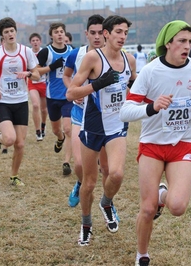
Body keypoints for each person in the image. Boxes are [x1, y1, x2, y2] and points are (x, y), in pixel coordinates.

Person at [119, 20, 191, 266]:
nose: (187, 46)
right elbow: (125, 112)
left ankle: (162, 194)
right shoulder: (150, 71)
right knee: (147, 210)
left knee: (178, 207)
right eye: (181, 41)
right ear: (168, 43)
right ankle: (142, 254)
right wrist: (152, 107)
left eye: (189, 41)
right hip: (153, 145)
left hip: (182, 144)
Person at [66, 15, 137, 246]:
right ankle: (86, 224)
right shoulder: (92, 58)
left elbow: (135, 86)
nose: (122, 37)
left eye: (125, 32)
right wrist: (97, 84)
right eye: (118, 32)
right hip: (93, 127)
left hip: (117, 127)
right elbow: (71, 93)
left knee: (116, 174)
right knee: (88, 183)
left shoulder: (130, 59)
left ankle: (106, 203)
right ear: (106, 33)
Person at [0, 17, 41, 186]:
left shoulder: (25, 52)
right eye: (6, 32)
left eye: (12, 31)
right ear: (2, 36)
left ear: (16, 32)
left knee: (20, 144)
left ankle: (14, 176)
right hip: (3, 101)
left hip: (21, 101)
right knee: (9, 139)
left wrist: (27, 73)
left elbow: (37, 74)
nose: (10, 34)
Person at [63, 14, 107, 207]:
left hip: (104, 117)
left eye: (100, 33)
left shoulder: (112, 55)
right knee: (79, 164)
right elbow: (67, 76)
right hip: (80, 112)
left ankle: (107, 203)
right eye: (93, 33)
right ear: (86, 34)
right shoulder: (76, 54)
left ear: (106, 34)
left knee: (106, 168)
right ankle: (80, 183)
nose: (96, 37)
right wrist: (73, 90)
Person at [37, 22, 74, 176]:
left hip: (68, 96)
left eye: (61, 32)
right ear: (51, 35)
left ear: (65, 35)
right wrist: (52, 66)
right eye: (56, 32)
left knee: (68, 129)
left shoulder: (72, 51)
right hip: (52, 97)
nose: (59, 34)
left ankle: (66, 162)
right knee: (56, 130)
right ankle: (59, 139)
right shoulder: (46, 52)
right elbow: (36, 72)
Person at [28, 33, 48, 141]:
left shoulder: (45, 52)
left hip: (44, 82)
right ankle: (37, 131)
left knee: (44, 109)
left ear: (40, 42)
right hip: (32, 84)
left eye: (37, 40)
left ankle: (43, 126)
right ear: (30, 42)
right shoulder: (28, 53)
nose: (35, 42)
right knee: (35, 105)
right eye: (33, 40)